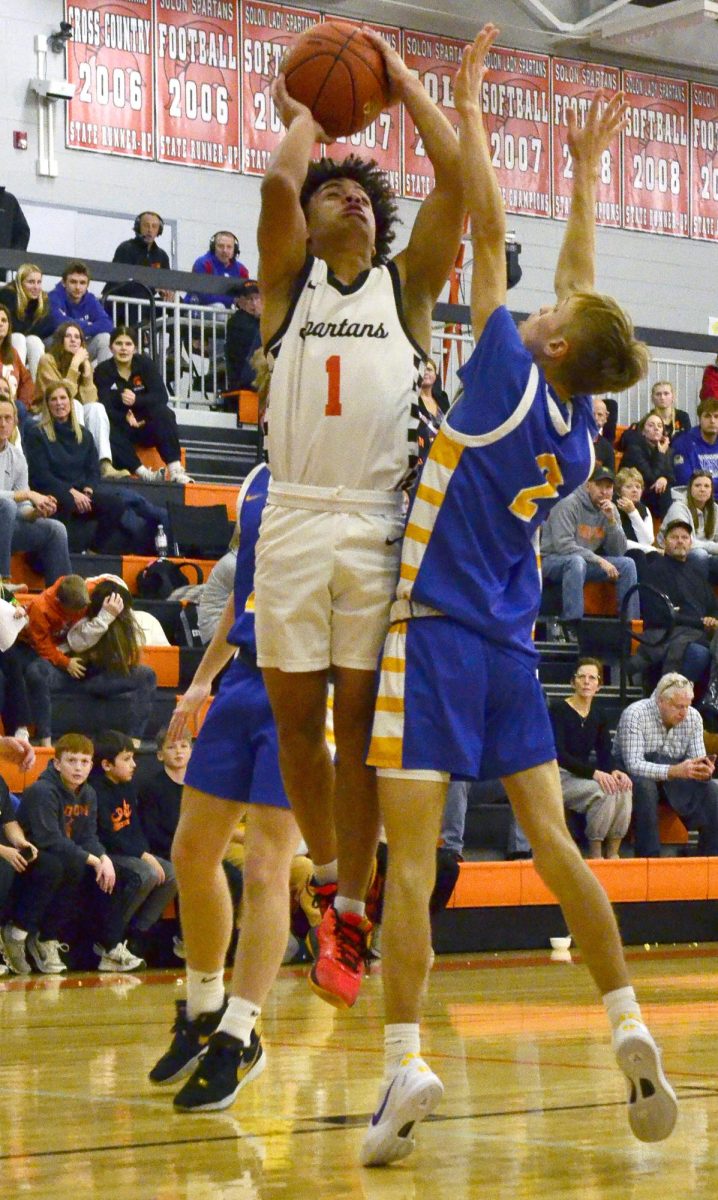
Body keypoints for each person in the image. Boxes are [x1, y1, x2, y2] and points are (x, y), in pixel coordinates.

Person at [359, 29, 674, 1169]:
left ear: (545, 349)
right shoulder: (580, 435)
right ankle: (629, 1022)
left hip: (432, 640)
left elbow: (488, 227)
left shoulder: (500, 382)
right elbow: (582, 292)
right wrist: (587, 175)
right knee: (553, 845)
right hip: (508, 653)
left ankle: (403, 1057)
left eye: (543, 320)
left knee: (407, 867)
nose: (537, 309)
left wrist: (464, 102)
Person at [255, 29, 465, 1011]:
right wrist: (308, 114)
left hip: (374, 521)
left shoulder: (402, 290)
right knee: (296, 721)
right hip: (293, 517)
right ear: (307, 223)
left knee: (353, 718)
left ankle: (345, 905)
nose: (352, 199)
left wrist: (407, 83)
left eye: (363, 199)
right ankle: (336, 874)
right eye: (332, 193)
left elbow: (456, 190)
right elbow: (271, 194)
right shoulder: (284, 290)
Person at [149, 462, 319, 1112]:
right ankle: (203, 1008)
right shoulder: (256, 480)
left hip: (310, 681)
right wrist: (200, 681)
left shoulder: (352, 472)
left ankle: (239, 1035)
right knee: (192, 852)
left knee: (270, 866)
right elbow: (245, 593)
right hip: (245, 677)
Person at [17, 733, 145, 971]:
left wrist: (103, 858)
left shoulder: (88, 793)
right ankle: (44, 940)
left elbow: (88, 837)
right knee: (71, 866)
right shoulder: (43, 791)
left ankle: (110, 947)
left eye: (84, 762)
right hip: (36, 858)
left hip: (69, 856)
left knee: (116, 875)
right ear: (57, 763)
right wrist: (93, 860)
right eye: (71, 760)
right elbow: (49, 839)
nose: (78, 767)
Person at [23, 382, 145, 554]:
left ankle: (93, 551)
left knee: (115, 504)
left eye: (63, 398)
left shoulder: (84, 434)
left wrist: (88, 490)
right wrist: (72, 492)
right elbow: (40, 475)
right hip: (52, 490)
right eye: (54, 399)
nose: (59, 403)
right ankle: (62, 552)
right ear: (48, 404)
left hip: (81, 492)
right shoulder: (37, 434)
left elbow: (93, 469)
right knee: (65, 501)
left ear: (70, 402)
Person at [614, 673, 718, 857]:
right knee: (645, 788)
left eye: (687, 706)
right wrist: (673, 770)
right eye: (678, 707)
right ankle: (649, 858)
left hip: (674, 774)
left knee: (712, 789)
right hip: (635, 773)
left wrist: (703, 770)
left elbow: (696, 759)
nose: (684, 712)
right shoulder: (635, 713)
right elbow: (634, 764)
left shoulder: (693, 717)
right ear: (661, 701)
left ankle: (710, 856)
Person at [91, 730, 177, 946]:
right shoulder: (96, 790)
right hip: (110, 854)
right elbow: (107, 835)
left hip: (132, 851)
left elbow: (136, 827)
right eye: (127, 759)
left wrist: (146, 852)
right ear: (107, 765)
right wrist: (142, 856)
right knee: (146, 874)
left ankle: (137, 932)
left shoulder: (128, 786)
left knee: (173, 874)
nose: (134, 765)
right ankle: (112, 936)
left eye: (133, 758)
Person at [541, 465, 639, 639]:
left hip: (585, 563)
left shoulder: (610, 510)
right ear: (588, 486)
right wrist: (599, 560)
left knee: (628, 564)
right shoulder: (568, 503)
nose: (604, 492)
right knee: (575, 562)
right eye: (599, 486)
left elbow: (618, 551)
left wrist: (611, 522)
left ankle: (630, 627)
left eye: (608, 487)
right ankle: (572, 624)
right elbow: (563, 546)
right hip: (551, 560)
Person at [550, 659, 632, 858]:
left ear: (599, 686)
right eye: (582, 677)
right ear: (573, 683)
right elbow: (559, 754)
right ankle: (596, 854)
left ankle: (613, 853)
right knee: (604, 792)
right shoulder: (558, 710)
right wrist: (594, 774)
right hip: (558, 775)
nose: (587, 682)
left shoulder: (598, 714)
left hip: (583, 775)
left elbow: (605, 752)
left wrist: (614, 771)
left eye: (592, 678)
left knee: (623, 789)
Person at [94, 326, 192, 484]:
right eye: (119, 344)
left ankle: (175, 469)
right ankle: (144, 473)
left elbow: (161, 396)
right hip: (120, 427)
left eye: (128, 344)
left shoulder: (145, 364)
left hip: (145, 424)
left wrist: (136, 401)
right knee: (105, 426)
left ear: (135, 348)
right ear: (111, 347)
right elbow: (104, 404)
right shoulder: (102, 370)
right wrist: (124, 417)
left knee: (164, 413)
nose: (124, 349)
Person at [35, 322, 128, 480]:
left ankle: (104, 463)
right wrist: (74, 366)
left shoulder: (82, 364)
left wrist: (86, 375)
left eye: (77, 337)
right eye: (68, 336)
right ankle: (77, 462)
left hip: (73, 416)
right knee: (74, 404)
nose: (73, 340)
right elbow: (58, 397)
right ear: (60, 340)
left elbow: (90, 400)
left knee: (96, 408)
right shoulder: (47, 360)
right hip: (44, 414)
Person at [629, 517, 718, 682]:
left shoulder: (696, 573)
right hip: (669, 633)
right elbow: (659, 614)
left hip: (700, 634)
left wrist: (713, 620)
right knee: (699, 654)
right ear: (663, 542)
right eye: (674, 537)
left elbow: (712, 605)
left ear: (691, 543)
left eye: (684, 538)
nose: (680, 541)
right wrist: (700, 622)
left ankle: (712, 699)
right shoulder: (654, 570)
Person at [0, 385, 71, 588]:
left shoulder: (18, 458)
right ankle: (2, 580)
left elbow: (22, 511)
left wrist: (37, 512)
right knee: (6, 506)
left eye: (7, 418)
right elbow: (11, 501)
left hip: (6, 530)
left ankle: (62, 598)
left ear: (15, 422)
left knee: (55, 529)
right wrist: (28, 494)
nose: (3, 424)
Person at [0, 771, 66, 975]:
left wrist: (21, 842)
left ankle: (17, 934)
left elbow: (9, 823)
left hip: (5, 848)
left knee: (50, 867)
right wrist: (4, 851)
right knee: (4, 869)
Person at [103, 212, 172, 324]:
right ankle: (136, 337)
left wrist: (168, 293)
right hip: (119, 302)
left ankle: (183, 340)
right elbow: (123, 284)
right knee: (138, 297)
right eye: (146, 225)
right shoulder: (125, 248)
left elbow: (167, 283)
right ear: (138, 227)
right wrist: (154, 287)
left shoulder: (162, 256)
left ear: (159, 230)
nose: (150, 230)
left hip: (146, 303)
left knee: (177, 302)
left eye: (154, 226)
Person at [658, 470, 718, 581]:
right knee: (699, 555)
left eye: (706, 486)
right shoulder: (678, 508)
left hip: (708, 556)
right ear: (690, 488)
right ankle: (698, 596)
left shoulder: (715, 509)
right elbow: (684, 542)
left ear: (711, 490)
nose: (702, 489)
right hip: (678, 555)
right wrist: (713, 547)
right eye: (697, 485)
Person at [48, 262, 113, 363]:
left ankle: (104, 377)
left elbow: (107, 325)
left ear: (87, 285)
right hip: (56, 347)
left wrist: (75, 326)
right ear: (64, 283)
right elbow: (57, 322)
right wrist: (87, 324)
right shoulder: (54, 296)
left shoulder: (90, 299)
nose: (78, 287)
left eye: (82, 283)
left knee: (105, 338)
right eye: (73, 282)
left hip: (80, 346)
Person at [0, 263, 55, 377]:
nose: (36, 287)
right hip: (5, 344)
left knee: (34, 340)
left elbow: (50, 326)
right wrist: (34, 325)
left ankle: (38, 391)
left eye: (39, 282)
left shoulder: (42, 299)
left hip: (28, 344)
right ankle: (14, 386)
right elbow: (14, 327)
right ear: (20, 283)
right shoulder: (7, 295)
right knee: (18, 337)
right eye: (31, 282)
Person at [619, 412, 674, 519]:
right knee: (664, 492)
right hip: (635, 493)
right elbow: (650, 478)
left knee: (667, 489)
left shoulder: (664, 449)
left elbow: (671, 475)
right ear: (643, 431)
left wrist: (664, 479)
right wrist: (661, 454)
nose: (656, 428)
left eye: (659, 426)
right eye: (651, 425)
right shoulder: (634, 449)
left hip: (652, 493)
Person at [184, 232, 249, 308]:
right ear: (213, 247)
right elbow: (204, 296)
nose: (224, 250)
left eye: (229, 247)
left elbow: (246, 297)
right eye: (220, 246)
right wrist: (233, 300)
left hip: (228, 312)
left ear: (234, 250)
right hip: (196, 310)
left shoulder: (242, 270)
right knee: (219, 307)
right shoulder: (203, 263)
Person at [672, 395, 718, 497]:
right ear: (699, 419)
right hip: (696, 501)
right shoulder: (683, 443)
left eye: (716, 416)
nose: (712, 421)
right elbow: (686, 479)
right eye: (707, 416)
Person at [225, 280, 262, 393]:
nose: (254, 303)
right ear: (240, 302)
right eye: (250, 299)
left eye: (257, 298)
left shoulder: (258, 322)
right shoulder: (237, 322)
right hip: (245, 380)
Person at [614, 466, 657, 564]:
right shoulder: (613, 508)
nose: (634, 490)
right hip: (619, 553)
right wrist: (650, 549)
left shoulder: (644, 509)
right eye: (629, 487)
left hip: (641, 551)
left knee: (654, 557)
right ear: (619, 491)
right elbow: (620, 542)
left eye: (638, 487)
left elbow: (647, 541)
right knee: (639, 555)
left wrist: (633, 512)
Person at [0, 303, 33, 424]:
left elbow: (27, 381)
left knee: (36, 427)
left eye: (4, 320)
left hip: (16, 408)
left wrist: (24, 402)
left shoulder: (12, 353)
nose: (0, 323)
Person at [416, 358, 450, 465]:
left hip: (442, 459)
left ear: (435, 376)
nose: (426, 372)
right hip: (422, 458)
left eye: (429, 369)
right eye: (423, 369)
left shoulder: (443, 399)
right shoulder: (412, 400)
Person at [592, 396, 615, 472]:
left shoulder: (607, 447)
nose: (595, 418)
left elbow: (609, 476)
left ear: (606, 417)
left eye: (600, 414)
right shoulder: (574, 440)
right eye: (592, 414)